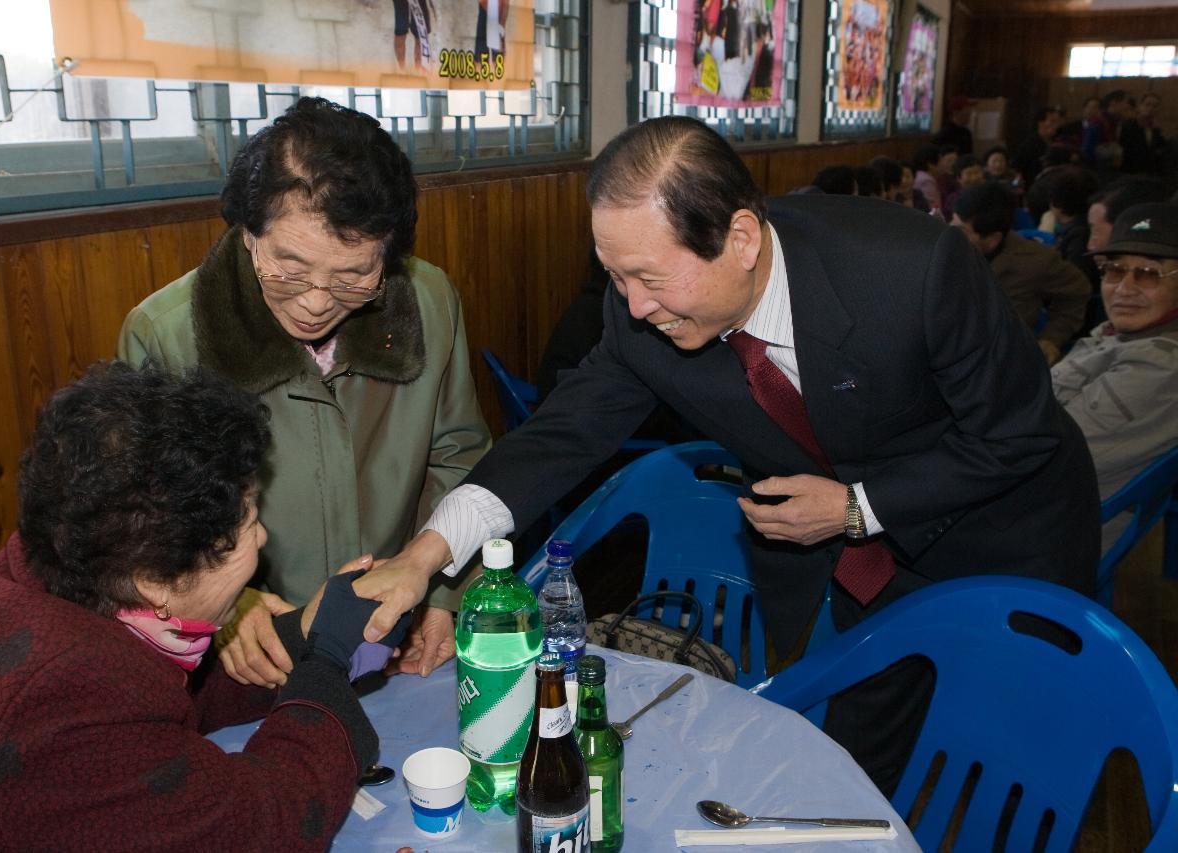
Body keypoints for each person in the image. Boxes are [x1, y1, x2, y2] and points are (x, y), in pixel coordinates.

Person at [353, 116, 1100, 795]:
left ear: (740, 239)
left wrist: (853, 507)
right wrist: (425, 553)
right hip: (865, 567)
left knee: (1017, 765)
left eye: (648, 276)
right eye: (615, 274)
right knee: (859, 756)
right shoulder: (643, 314)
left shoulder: (911, 270)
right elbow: (560, 434)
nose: (633, 304)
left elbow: (1020, 434)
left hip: (1007, 527)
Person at [0, 363, 396, 850]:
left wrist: (299, 635)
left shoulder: (59, 564)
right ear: (156, 581)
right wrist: (327, 664)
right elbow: (269, 822)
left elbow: (160, 698)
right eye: (246, 524)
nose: (263, 536)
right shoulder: (62, 710)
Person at [118, 98, 491, 685]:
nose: (317, 302)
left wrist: (441, 591)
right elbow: (151, 524)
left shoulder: (429, 302)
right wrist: (229, 605)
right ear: (248, 234)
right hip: (256, 654)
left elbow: (456, 456)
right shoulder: (166, 336)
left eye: (352, 275)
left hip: (390, 632)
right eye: (289, 267)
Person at [1052, 202, 1178, 552]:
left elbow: (1043, 454)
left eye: (1148, 273)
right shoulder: (1120, 333)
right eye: (1114, 270)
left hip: (1047, 535)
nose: (1124, 288)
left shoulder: (1159, 367)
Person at [952, 182, 1090, 365]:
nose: (951, 235)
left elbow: (1078, 291)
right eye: (952, 223)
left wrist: (1052, 337)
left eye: (962, 231)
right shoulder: (944, 248)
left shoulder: (1035, 261)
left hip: (1000, 361)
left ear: (993, 239)